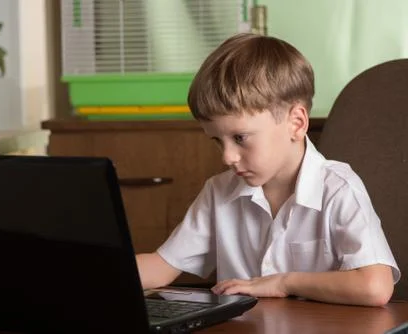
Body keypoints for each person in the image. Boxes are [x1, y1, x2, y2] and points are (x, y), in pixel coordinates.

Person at [135, 33, 400, 307]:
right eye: (217, 140)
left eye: (240, 138)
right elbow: (161, 266)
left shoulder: (338, 188)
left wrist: (284, 282)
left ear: (296, 123)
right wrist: (93, 270)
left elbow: (374, 287)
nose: (227, 156)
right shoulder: (218, 191)